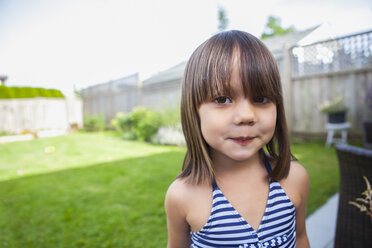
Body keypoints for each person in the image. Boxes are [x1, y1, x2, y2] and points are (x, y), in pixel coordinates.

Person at [165, 30, 310, 248]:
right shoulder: (182, 196)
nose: (246, 116)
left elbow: (300, 238)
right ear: (193, 111)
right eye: (222, 99)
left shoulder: (295, 178)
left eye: (261, 98)